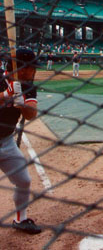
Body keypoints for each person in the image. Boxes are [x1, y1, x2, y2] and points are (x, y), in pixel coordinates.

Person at [0, 48, 41, 234]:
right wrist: (6, 95)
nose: (33, 72)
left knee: (24, 180)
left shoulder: (28, 86)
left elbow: (31, 114)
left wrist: (21, 101)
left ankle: (21, 220)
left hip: (6, 142)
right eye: (31, 68)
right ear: (20, 68)